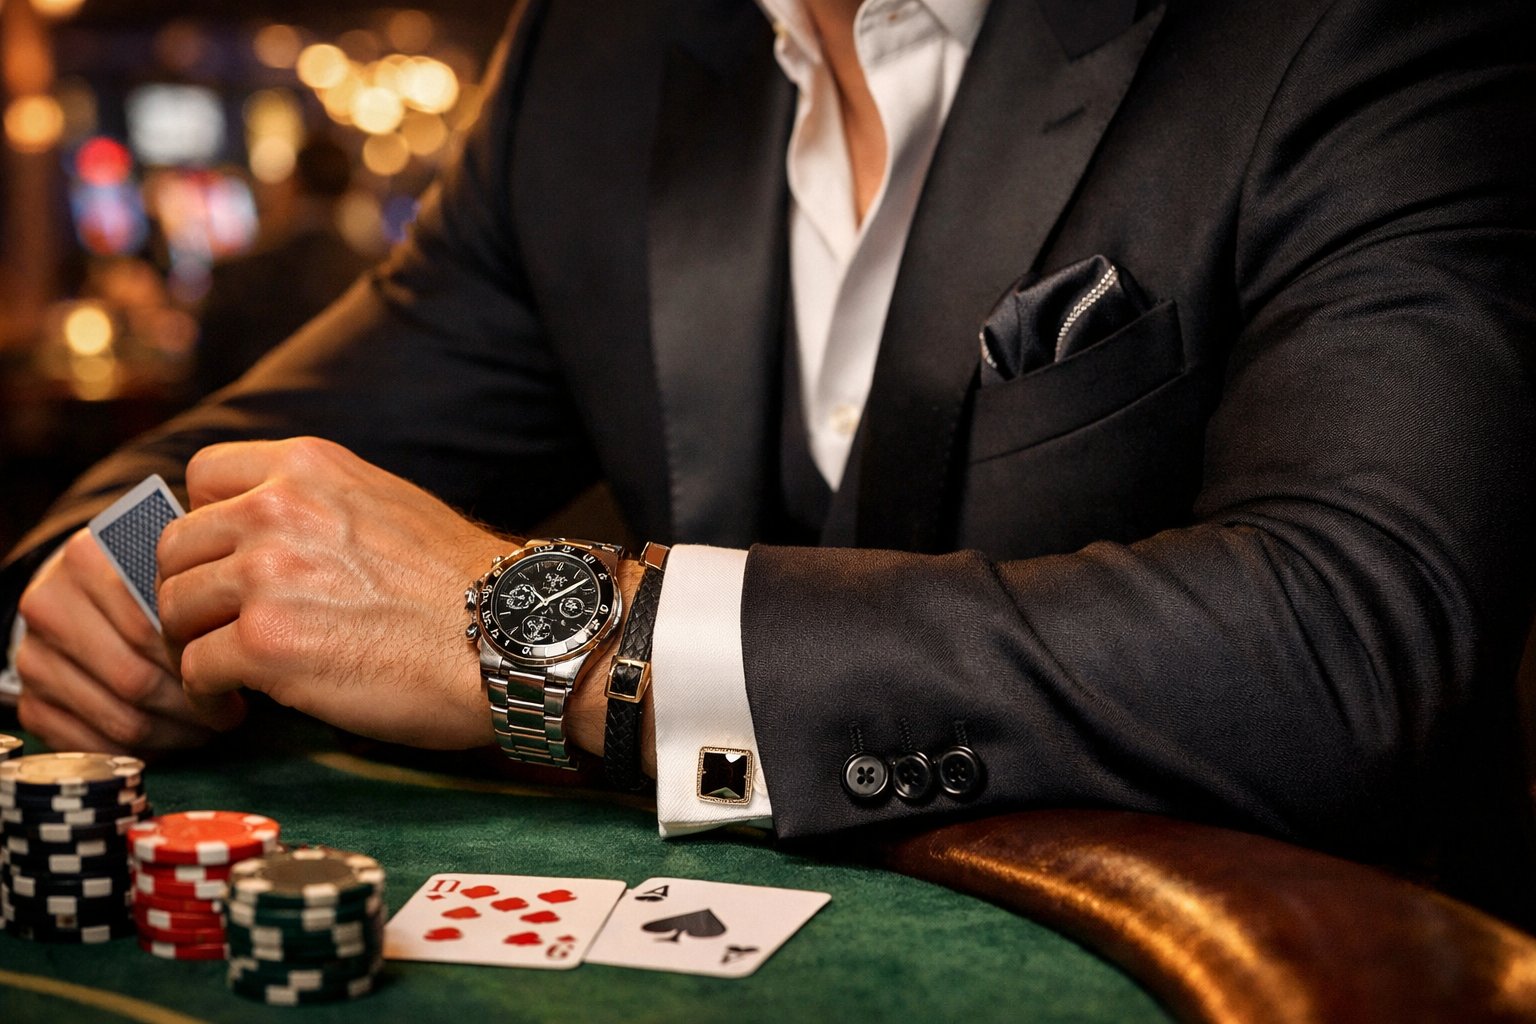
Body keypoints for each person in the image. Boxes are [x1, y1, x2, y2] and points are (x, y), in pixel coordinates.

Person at [3, 0, 1535, 927]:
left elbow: (1351, 635)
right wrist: (107, 596)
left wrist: (558, 633)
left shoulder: (1350, 31)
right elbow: (201, 473)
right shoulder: (600, 52)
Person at [192, 135, 372, 399]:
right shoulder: (373, 275)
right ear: (350, 189)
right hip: (351, 433)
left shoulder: (238, 274)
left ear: (293, 185)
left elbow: (207, 379)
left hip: (251, 428)